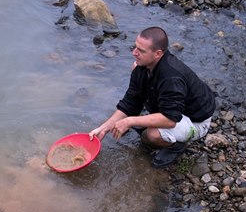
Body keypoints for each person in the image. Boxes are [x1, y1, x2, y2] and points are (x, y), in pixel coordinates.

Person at [89, 26, 216, 167]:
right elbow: (131, 102)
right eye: (135, 47)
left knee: (152, 134)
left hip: (196, 120)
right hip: (175, 109)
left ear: (158, 54)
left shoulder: (171, 78)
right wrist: (104, 128)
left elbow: (170, 120)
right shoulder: (141, 67)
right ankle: (156, 126)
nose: (134, 53)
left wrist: (129, 121)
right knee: (135, 74)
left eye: (141, 51)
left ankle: (176, 147)